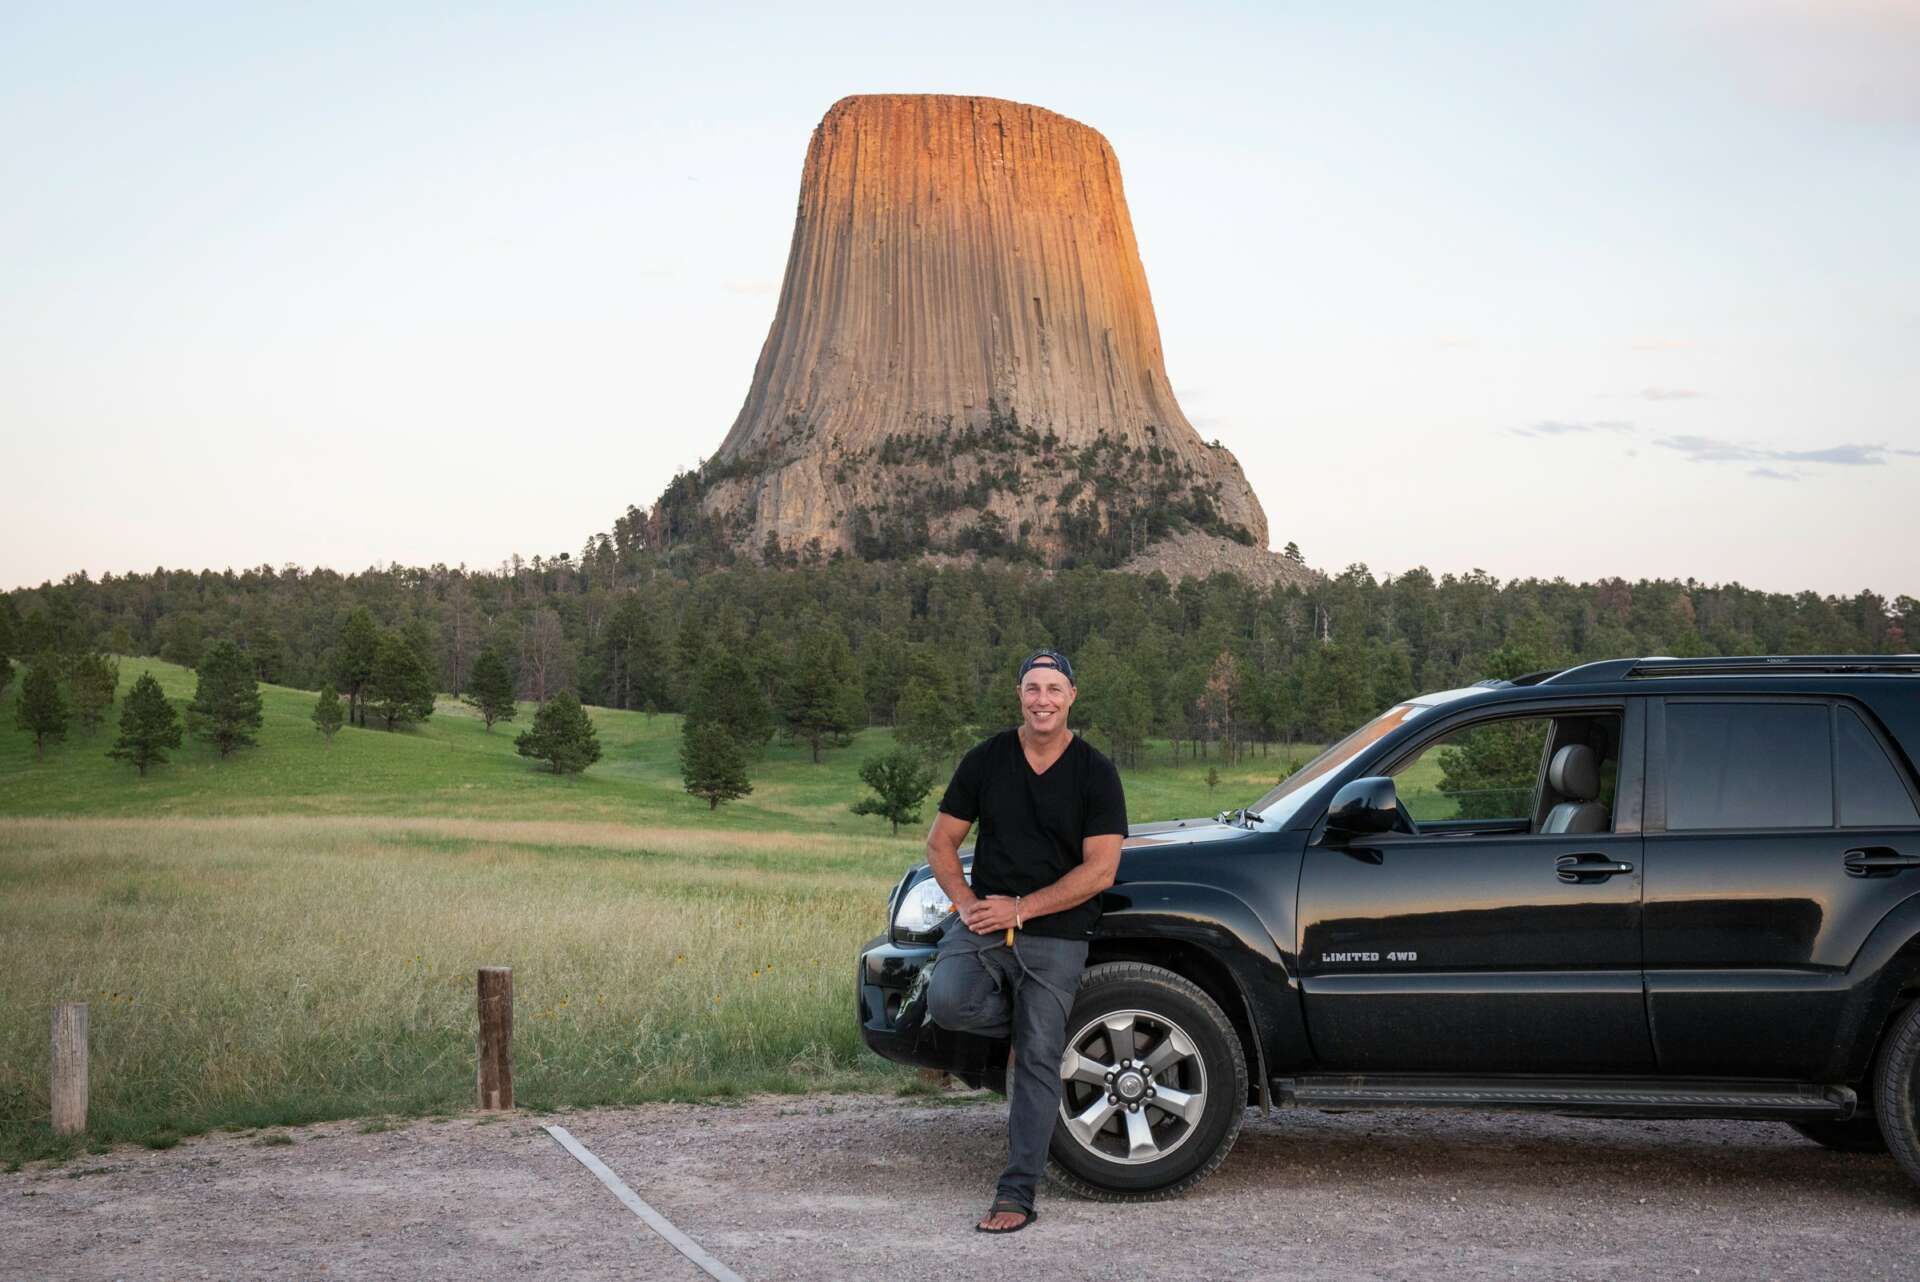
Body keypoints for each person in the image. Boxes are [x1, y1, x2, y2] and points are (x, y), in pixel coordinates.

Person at [923, 648, 1128, 1233]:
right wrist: (967, 904)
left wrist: (1024, 908)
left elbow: (1100, 871)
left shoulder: (1095, 772)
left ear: (1071, 697)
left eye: (1054, 689)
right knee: (949, 1002)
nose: (1043, 700)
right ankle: (1031, 1026)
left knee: (1038, 1058)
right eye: (1033, 688)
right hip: (988, 923)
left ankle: (1016, 1193)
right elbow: (940, 843)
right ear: (1019, 695)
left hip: (1057, 931)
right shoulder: (987, 758)